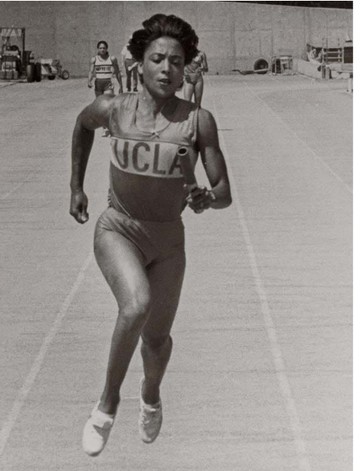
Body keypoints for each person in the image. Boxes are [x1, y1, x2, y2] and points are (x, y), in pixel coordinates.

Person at [70, 13, 232, 457]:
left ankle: (151, 395)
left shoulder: (199, 122)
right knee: (136, 304)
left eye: (177, 62)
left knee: (157, 340)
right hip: (118, 228)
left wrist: (205, 198)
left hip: (168, 243)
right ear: (139, 63)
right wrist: (76, 187)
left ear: (188, 68)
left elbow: (224, 192)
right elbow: (83, 127)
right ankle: (106, 403)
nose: (167, 69)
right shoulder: (114, 109)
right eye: (158, 59)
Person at [88, 40, 123, 136]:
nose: (102, 49)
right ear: (98, 49)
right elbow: (91, 71)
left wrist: (121, 85)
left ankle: (112, 126)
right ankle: (104, 128)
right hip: (98, 84)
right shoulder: (94, 59)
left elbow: (117, 72)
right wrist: (89, 80)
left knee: (109, 105)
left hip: (108, 83)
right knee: (100, 107)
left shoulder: (112, 59)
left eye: (104, 48)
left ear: (107, 49)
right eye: (100, 48)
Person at [183, 42, 208, 107]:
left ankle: (196, 116)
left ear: (196, 44)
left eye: (195, 43)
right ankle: (187, 117)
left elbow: (206, 68)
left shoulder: (201, 54)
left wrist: (201, 68)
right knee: (187, 103)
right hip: (188, 79)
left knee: (198, 104)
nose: (193, 45)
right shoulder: (185, 54)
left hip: (198, 79)